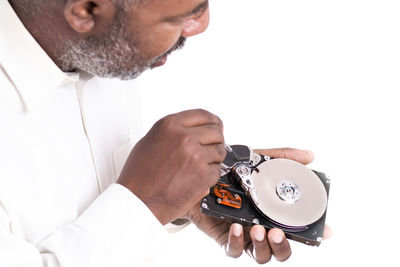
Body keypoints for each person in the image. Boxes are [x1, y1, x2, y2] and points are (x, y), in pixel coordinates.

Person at [0, 0, 329, 266]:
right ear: (86, 10)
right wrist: (146, 205)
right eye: (179, 18)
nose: (202, 25)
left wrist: (184, 196)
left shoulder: (103, 55)